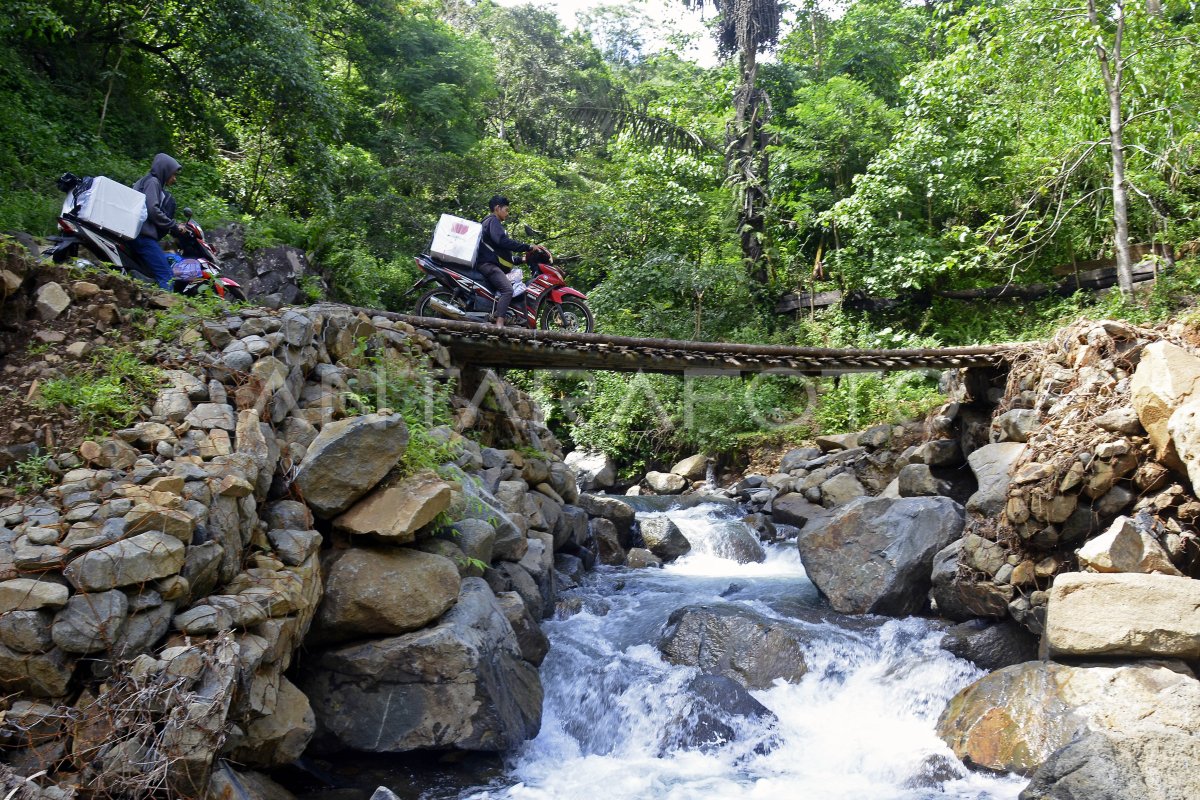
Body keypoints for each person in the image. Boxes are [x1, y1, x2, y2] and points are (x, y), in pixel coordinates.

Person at [477, 194, 542, 326]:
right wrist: (528, 247)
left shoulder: (489, 222)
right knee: (507, 290)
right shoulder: (492, 221)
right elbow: (502, 241)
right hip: (489, 266)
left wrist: (523, 259)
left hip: (491, 264)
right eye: (506, 210)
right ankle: (499, 324)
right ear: (497, 208)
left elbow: (502, 255)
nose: (507, 214)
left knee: (519, 288)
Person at [131, 153, 182, 290]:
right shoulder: (153, 182)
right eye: (173, 174)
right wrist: (173, 225)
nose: (174, 178)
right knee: (167, 275)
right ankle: (169, 310)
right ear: (164, 170)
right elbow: (153, 210)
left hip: (136, 233)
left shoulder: (146, 181)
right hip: (143, 237)